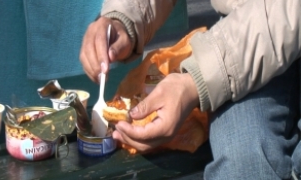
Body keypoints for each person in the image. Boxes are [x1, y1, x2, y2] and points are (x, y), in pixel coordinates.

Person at [79, 0, 301, 179]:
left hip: (249, 42)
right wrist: (124, 17)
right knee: (243, 160)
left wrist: (198, 80)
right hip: (242, 28)